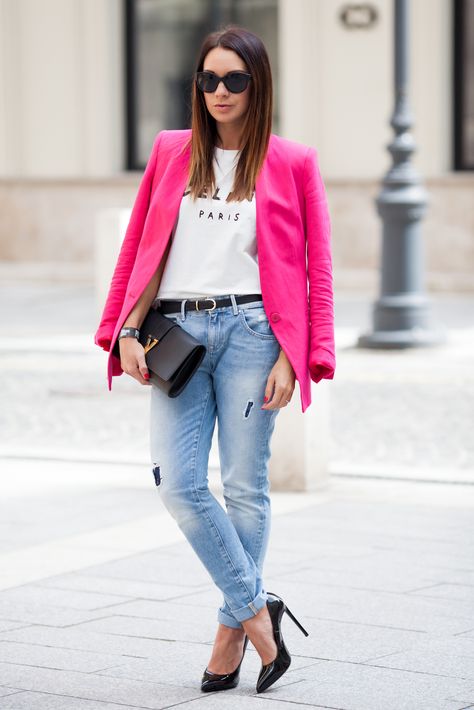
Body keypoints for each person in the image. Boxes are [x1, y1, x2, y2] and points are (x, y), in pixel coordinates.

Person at [94, 25, 335, 695]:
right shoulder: (173, 152)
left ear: (257, 85)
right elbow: (139, 246)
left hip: (256, 332)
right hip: (177, 334)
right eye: (207, 79)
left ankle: (231, 636)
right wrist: (123, 329)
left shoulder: (293, 161)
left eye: (233, 80)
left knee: (246, 487)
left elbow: (318, 271)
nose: (219, 92)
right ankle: (261, 614)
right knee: (177, 482)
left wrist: (300, 355)